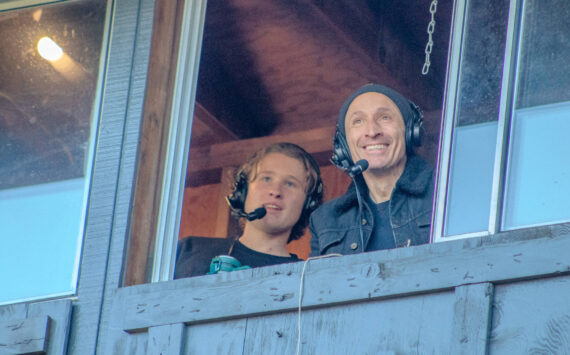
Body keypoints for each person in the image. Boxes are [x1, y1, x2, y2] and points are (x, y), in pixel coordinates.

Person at [309, 84, 433, 256]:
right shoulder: (325, 220)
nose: (372, 131)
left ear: (411, 131)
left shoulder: (446, 194)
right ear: (343, 146)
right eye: (358, 121)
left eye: (384, 117)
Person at [175, 142, 323, 278]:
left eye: (290, 184)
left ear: (307, 204)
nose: (275, 191)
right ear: (243, 191)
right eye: (266, 179)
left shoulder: (306, 277)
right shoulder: (186, 251)